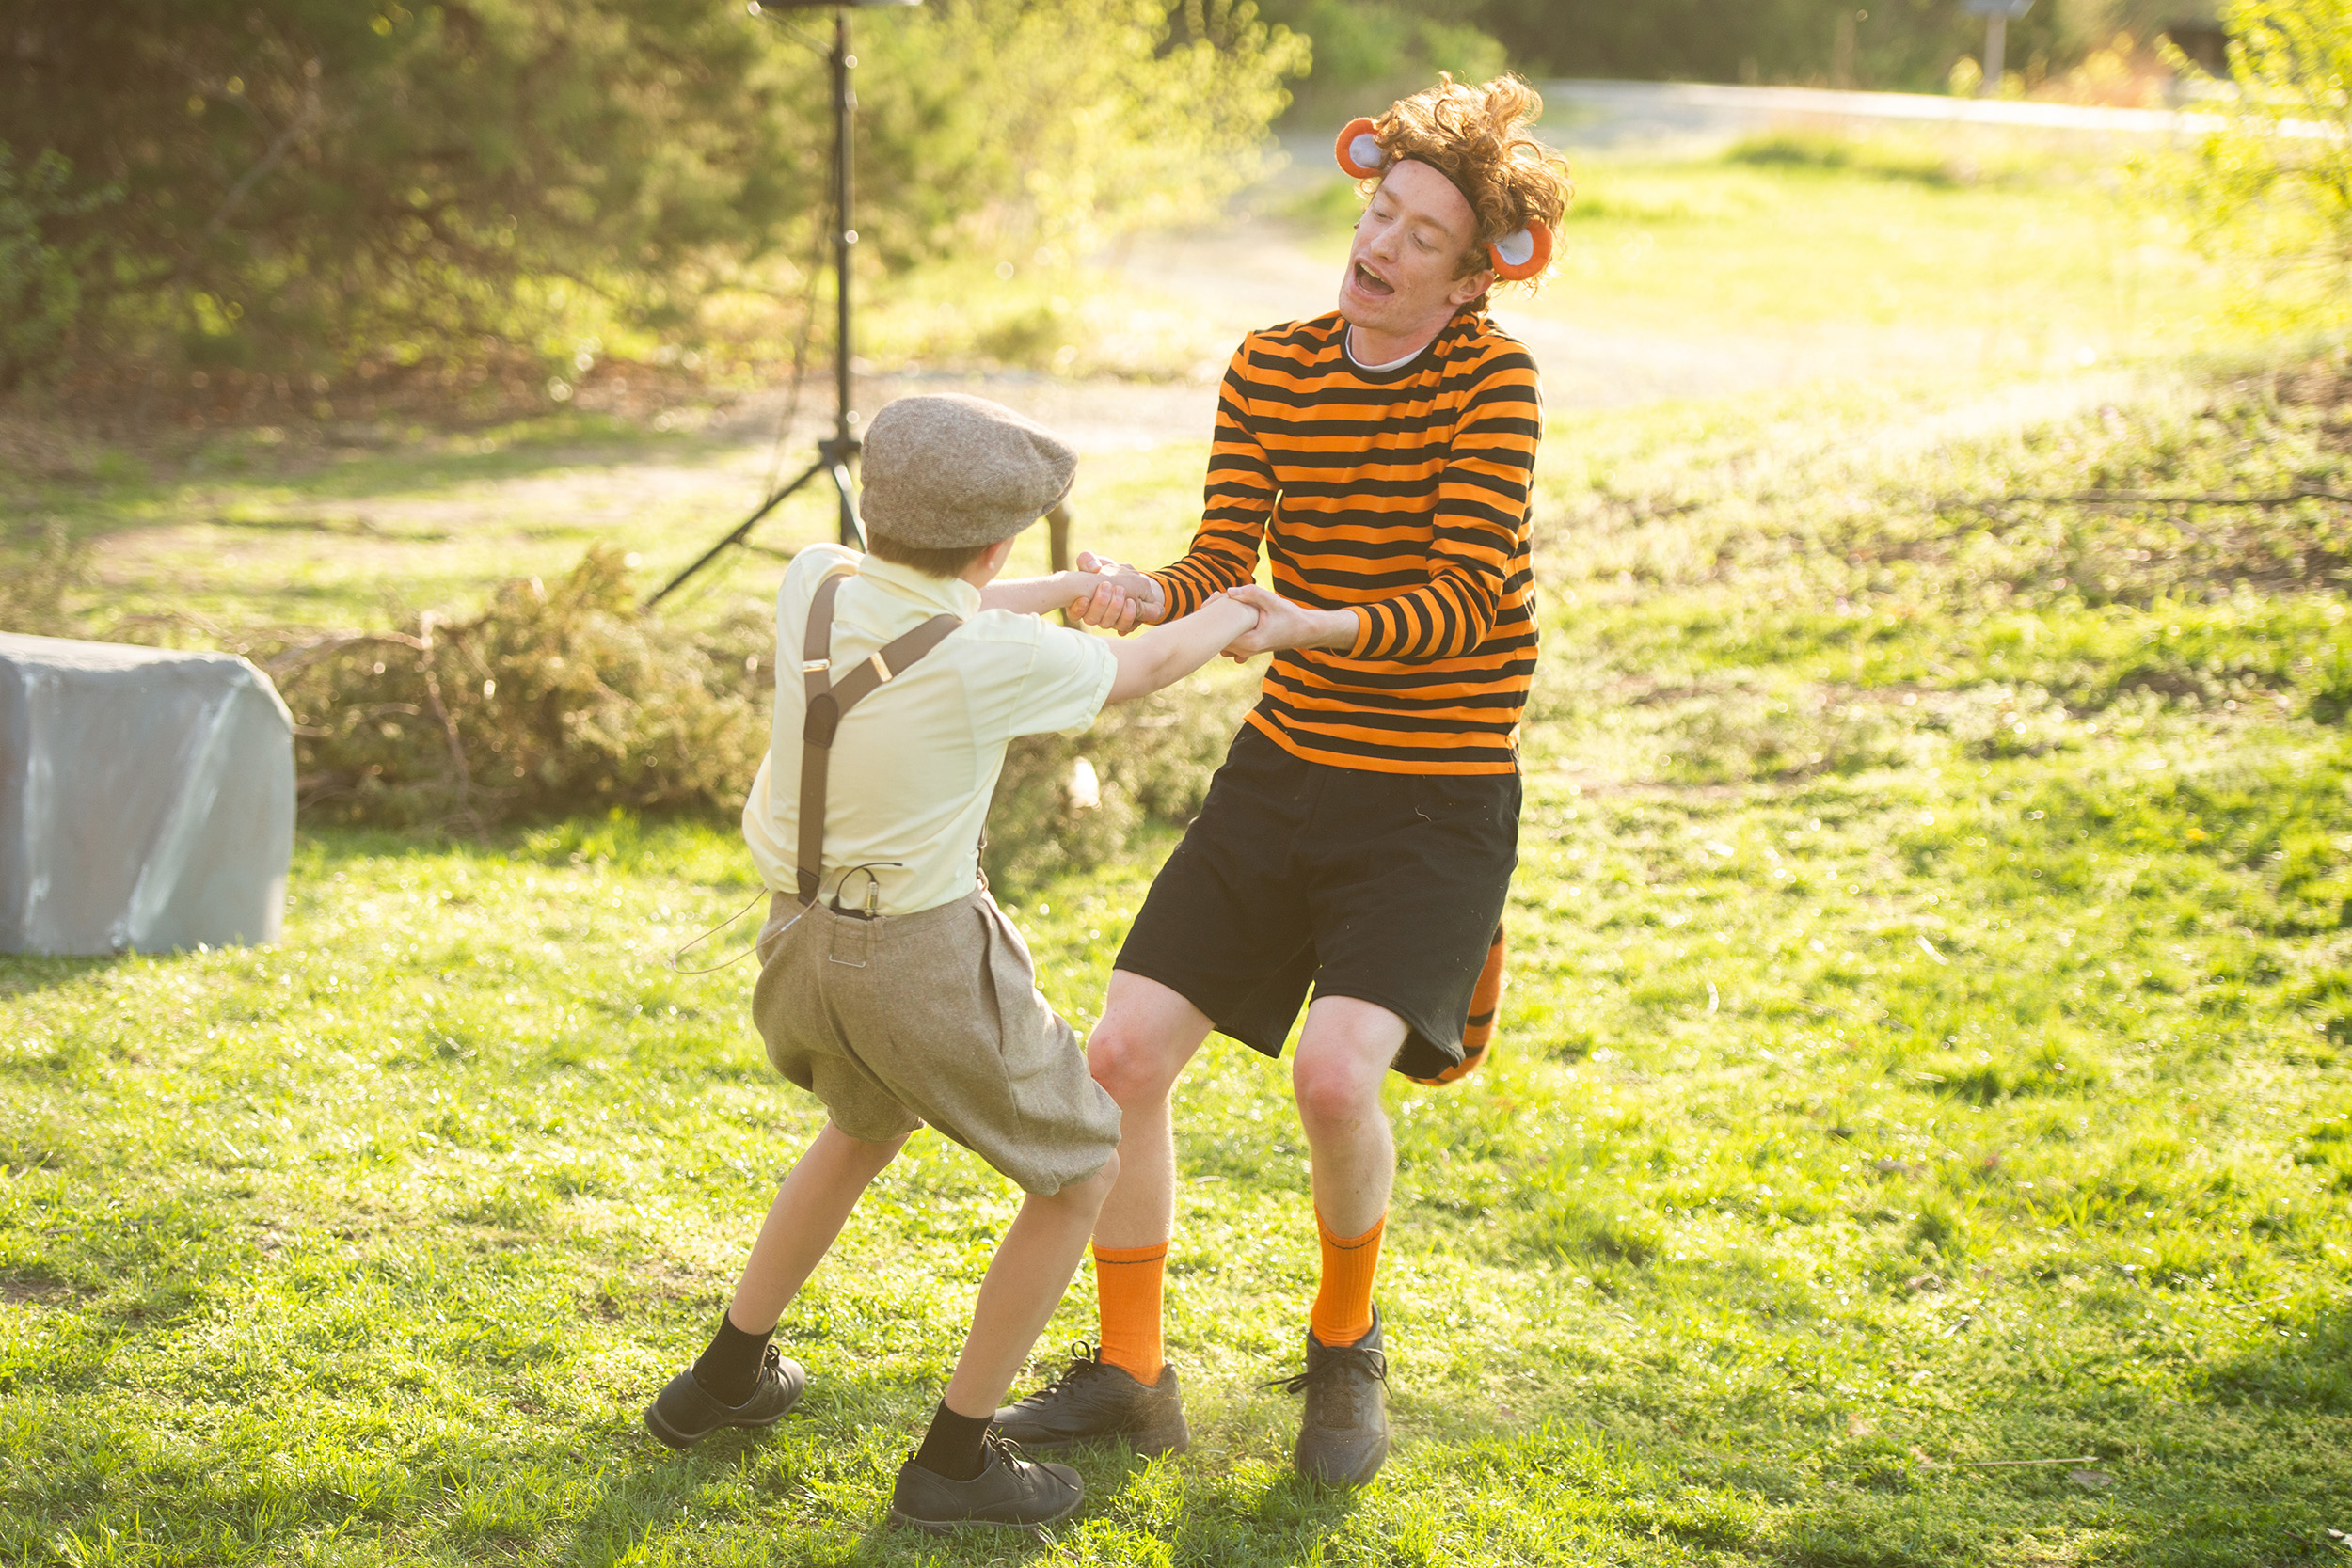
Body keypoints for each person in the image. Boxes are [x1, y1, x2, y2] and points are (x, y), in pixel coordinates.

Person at [989, 74, 1573, 1487]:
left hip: (1434, 791)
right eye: (1379, 212)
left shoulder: (1492, 383)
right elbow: (1217, 560)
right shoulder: (1273, 364)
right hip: (1287, 770)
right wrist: (1143, 590)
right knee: (1120, 1059)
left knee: (1331, 1071)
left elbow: (1461, 592)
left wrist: (1309, 621)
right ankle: (1132, 1369)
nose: (1379, 245)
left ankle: (1344, 1338)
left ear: (1467, 276)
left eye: (1420, 235)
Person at [641, 392, 1261, 1532]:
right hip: (916, 954)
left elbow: (941, 599)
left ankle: (721, 1380)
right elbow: (1143, 668)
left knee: (862, 1127)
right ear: (995, 540)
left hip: (795, 944)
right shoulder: (989, 656)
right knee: (1080, 1169)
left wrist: (1070, 593)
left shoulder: (814, 577)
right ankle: (956, 1461)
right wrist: (1224, 612)